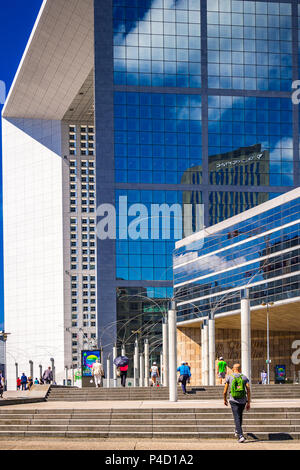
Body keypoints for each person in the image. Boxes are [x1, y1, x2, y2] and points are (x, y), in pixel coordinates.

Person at [223, 363, 251, 443]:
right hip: (242, 400)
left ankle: (240, 436)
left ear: (233, 369)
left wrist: (225, 399)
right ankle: (237, 430)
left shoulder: (229, 377)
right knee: (240, 416)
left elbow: (225, 391)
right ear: (240, 369)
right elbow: (248, 389)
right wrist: (248, 402)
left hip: (233, 400)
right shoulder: (244, 377)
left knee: (236, 417)